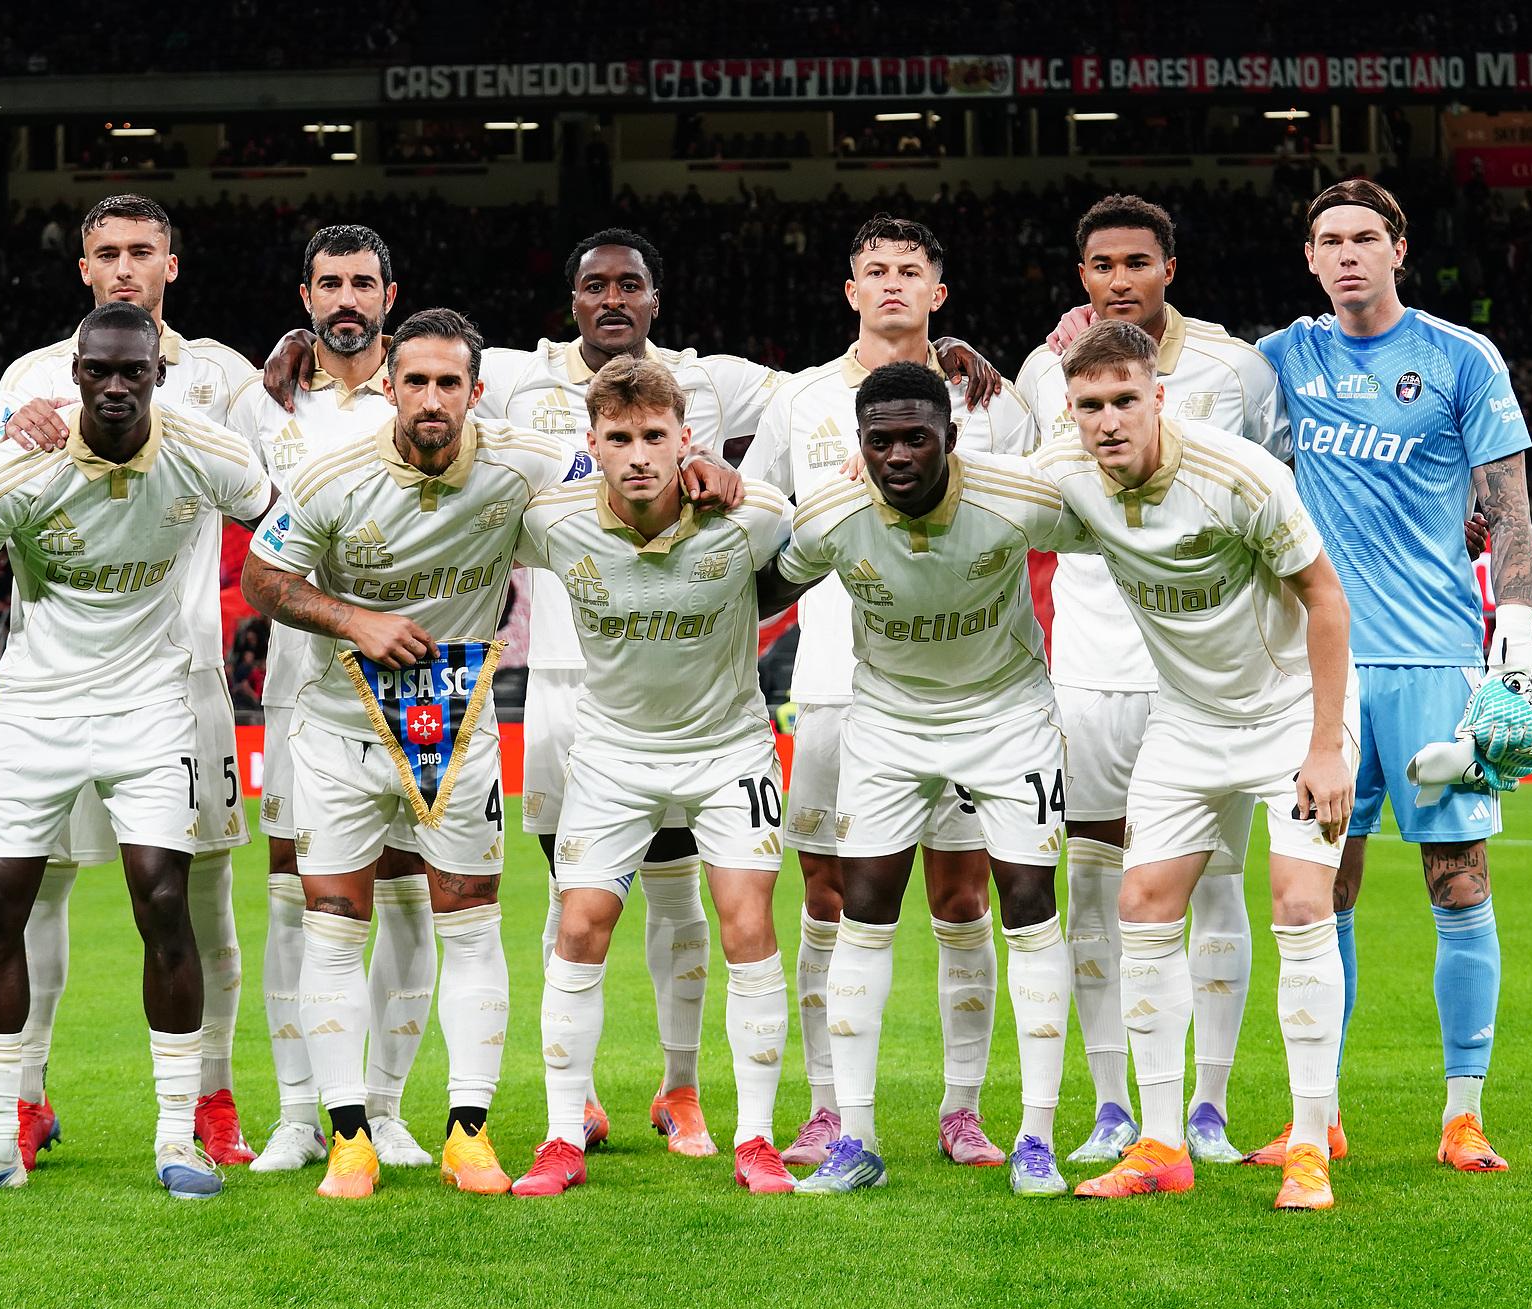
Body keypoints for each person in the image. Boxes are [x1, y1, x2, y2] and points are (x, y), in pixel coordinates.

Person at [260, 225, 1000, 1157]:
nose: (612, 299)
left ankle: (682, 1088)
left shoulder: (711, 378)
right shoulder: (522, 379)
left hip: (695, 697)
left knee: (684, 894)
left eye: (630, 285)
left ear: (656, 299)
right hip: (560, 691)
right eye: (595, 286)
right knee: (566, 903)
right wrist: (304, 347)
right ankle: (565, 1109)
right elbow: (403, 365)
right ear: (571, 303)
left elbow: (829, 388)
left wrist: (937, 347)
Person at [241, 309, 742, 1199]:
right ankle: (349, 1136)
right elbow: (261, 578)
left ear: (477, 391)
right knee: (334, 922)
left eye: (450, 383)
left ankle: (467, 1132)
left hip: (454, 725)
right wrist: (354, 619)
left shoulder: (526, 462)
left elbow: (629, 479)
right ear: (389, 386)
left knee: (469, 920)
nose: (432, 398)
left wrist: (704, 469)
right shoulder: (333, 477)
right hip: (339, 727)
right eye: (416, 381)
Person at [0, 302, 272, 1198]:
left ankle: (177, 1137)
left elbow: (287, 531)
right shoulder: (19, 465)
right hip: (36, 706)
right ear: (73, 374)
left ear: (158, 375)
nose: (114, 386)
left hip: (152, 705)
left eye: (132, 371)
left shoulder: (206, 453)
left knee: (164, 897)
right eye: (97, 370)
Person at [1033, 320, 1357, 1211]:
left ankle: (1308, 1144)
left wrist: (1326, 745)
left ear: (1158, 397)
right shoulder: (1066, 471)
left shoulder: (1240, 475)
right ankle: (1162, 1142)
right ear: (1071, 411)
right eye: (1090, 405)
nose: (1108, 420)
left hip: (1290, 709)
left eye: (1124, 400)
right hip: (1186, 717)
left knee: (1301, 904)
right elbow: (974, 489)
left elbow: (1325, 597)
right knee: (1142, 903)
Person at [1253, 179, 1532, 1173]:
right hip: (1319, 673)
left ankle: (1463, 1114)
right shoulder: (1281, 358)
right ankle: (1318, 1113)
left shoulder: (1460, 358)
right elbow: (1172, 374)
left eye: (1364, 237)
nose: (1347, 254)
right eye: (1328, 239)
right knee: (1321, 888)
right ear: (1308, 258)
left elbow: (1508, 511)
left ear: (1398, 249)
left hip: (1432, 663)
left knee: (1456, 880)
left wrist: (1513, 643)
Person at [744, 215, 1038, 1171]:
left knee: (962, 894)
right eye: (875, 269)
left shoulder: (989, 399)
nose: (893, 283)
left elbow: (1040, 495)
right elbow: (757, 522)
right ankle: (829, 1108)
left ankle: (964, 1109)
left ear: (938, 293)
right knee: (829, 896)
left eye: (912, 269)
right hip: (837, 683)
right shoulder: (800, 401)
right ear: (851, 289)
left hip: (970, 688)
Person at [0, 195, 265, 1170]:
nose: (122, 267)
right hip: (59, 678)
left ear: (170, 265)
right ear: (82, 268)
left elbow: (273, 490)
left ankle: (213, 1098)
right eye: (104, 252)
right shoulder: (31, 377)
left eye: (141, 250)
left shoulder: (226, 377)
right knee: (38, 889)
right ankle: (24, 1098)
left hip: (183, 677)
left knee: (202, 897)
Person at [764, 361, 1076, 1199]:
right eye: (880, 441)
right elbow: (758, 585)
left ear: (952, 436)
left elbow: (1110, 524)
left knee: (1027, 907)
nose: (897, 455)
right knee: (862, 911)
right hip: (887, 725)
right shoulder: (830, 512)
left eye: (916, 437)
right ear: (859, 443)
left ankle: (1035, 1138)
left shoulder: (1015, 496)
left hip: (1008, 718)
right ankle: (856, 1138)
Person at [1015, 194, 1283, 1165]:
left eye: (1136, 261)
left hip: (1207, 678)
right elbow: (1025, 497)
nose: (1118, 279)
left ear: (1169, 267)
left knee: (1215, 883)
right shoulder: (1045, 370)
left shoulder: (1235, 369)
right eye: (1101, 265)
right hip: (1088, 672)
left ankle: (1207, 1105)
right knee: (1092, 890)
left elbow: (1279, 497)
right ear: (1080, 275)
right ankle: (1109, 1104)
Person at [509, 356, 798, 1198]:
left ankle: (756, 1139)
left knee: (747, 922)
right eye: (619, 438)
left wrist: (726, 476)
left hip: (729, 749)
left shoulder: (752, 515)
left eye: (654, 436)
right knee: (579, 925)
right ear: (592, 443)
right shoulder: (553, 521)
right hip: (612, 754)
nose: (638, 454)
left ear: (685, 439)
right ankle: (562, 1136)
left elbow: (814, 547)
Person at [229, 224, 437, 1173]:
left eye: (362, 283)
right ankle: (298, 1113)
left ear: (390, 295)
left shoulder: (428, 387)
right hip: (300, 683)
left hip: (416, 679)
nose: (345, 298)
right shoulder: (260, 403)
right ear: (304, 297)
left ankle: (383, 1109)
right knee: (292, 897)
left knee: (408, 896)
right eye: (329, 284)